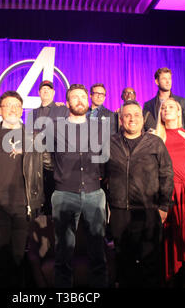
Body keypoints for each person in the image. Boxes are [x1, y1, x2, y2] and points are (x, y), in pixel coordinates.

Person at [0, 91, 47, 287]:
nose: (12, 109)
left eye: (17, 105)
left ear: (21, 110)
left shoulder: (33, 136)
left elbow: (47, 165)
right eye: (8, 105)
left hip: (23, 205)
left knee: (18, 257)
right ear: (0, 109)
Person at [106, 100, 174, 287]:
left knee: (150, 264)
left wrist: (164, 205)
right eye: (127, 115)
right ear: (120, 120)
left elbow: (167, 174)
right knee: (124, 264)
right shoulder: (109, 143)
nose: (132, 119)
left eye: (136, 115)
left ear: (143, 119)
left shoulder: (155, 142)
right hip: (120, 212)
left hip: (149, 211)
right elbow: (100, 175)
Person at [49, 84, 109, 288]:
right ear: (67, 103)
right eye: (74, 97)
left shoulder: (100, 128)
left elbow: (108, 157)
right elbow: (45, 157)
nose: (80, 100)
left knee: (98, 251)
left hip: (94, 192)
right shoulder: (55, 127)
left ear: (88, 100)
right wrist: (60, 174)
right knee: (63, 252)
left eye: (83, 96)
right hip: (64, 193)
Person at [155, 97, 185, 287]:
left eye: (171, 107)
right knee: (170, 238)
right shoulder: (156, 136)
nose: (166, 110)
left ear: (178, 112)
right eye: (163, 108)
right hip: (168, 193)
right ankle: (171, 279)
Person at [27, 80, 69, 216]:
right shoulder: (31, 113)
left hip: (55, 160)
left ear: (53, 92)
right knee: (39, 194)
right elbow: (28, 136)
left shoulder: (62, 109)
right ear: (39, 93)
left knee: (54, 196)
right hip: (37, 161)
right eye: (43, 89)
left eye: (49, 89)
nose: (46, 91)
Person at [144, 67, 185, 132]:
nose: (168, 82)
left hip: (178, 138)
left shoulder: (181, 101)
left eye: (169, 78)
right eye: (164, 79)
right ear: (157, 81)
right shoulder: (149, 105)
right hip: (159, 140)